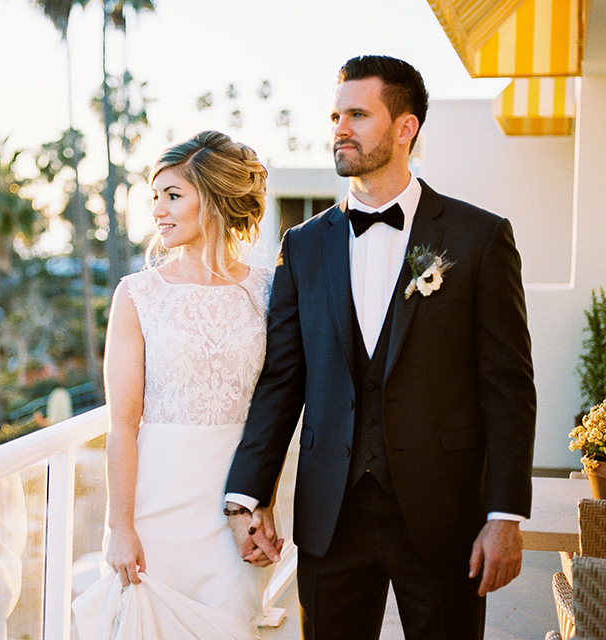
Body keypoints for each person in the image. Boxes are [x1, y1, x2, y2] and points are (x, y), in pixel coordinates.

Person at [224, 55, 536, 640]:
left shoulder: (478, 237)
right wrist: (248, 494)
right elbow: (281, 381)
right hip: (329, 517)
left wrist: (504, 515)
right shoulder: (304, 245)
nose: (340, 128)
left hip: (443, 516)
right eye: (336, 115)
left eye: (358, 114)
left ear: (404, 128)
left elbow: (509, 388)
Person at [72, 130, 278, 639]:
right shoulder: (138, 295)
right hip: (155, 510)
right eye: (155, 197)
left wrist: (262, 501)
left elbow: (279, 406)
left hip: (235, 508)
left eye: (173, 195)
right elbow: (122, 424)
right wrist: (121, 526)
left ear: (211, 198)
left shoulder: (268, 290)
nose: (159, 211)